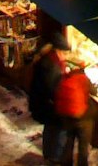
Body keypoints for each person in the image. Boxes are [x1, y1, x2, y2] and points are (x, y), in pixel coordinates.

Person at [29, 35, 67, 163]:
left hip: (44, 103)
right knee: (59, 130)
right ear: (58, 50)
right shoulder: (52, 65)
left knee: (50, 128)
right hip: (50, 105)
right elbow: (52, 88)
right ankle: (54, 159)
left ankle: (48, 155)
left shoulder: (46, 59)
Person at [55, 58, 95, 166]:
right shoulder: (83, 78)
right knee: (83, 146)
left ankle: (66, 163)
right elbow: (94, 92)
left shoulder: (64, 78)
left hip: (67, 116)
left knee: (69, 141)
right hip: (83, 117)